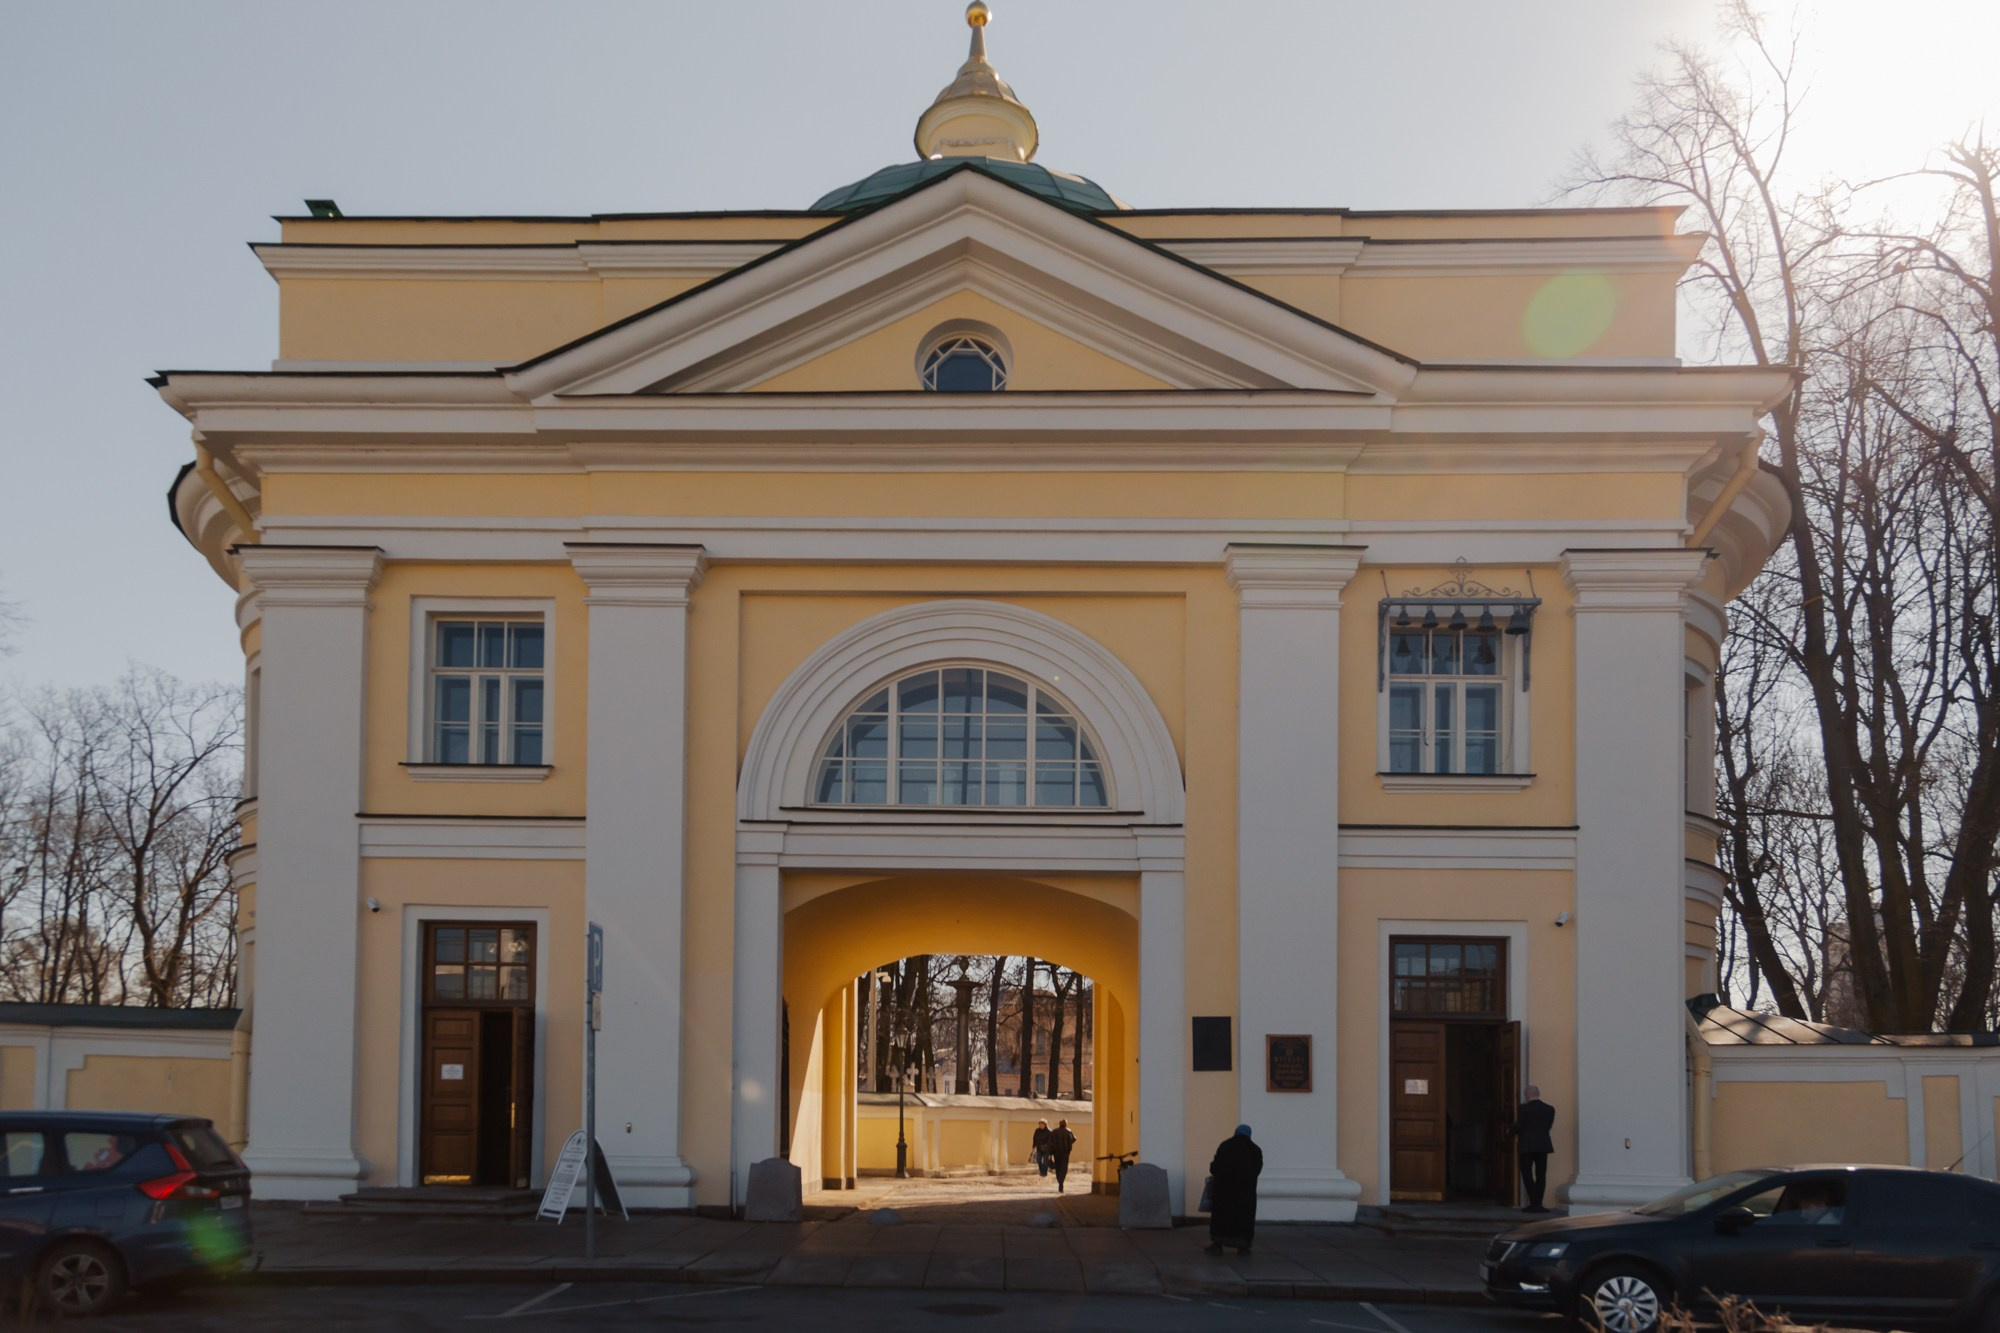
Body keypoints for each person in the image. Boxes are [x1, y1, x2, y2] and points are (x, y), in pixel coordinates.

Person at [1206, 1124, 1263, 1254]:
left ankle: (1217, 1244)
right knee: (1244, 1217)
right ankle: (1243, 1246)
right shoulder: (1255, 1150)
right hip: (1245, 1192)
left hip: (1224, 1191)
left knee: (1222, 1216)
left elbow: (1214, 1167)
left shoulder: (1225, 1146)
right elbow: (1257, 1169)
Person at [1513, 1085, 1556, 1213]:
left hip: (1527, 1146)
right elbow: (1548, 1126)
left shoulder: (1523, 1108)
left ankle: (1534, 1202)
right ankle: (1539, 1204)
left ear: (1527, 1094)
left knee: (1527, 1173)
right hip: (1543, 1145)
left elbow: (1520, 1126)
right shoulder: (1550, 1109)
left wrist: (1509, 1130)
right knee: (1541, 1174)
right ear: (1538, 1093)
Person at [1049, 1117, 1077, 1193]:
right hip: (1065, 1153)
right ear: (1066, 1124)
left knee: (1058, 1167)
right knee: (1063, 1168)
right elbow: (1073, 1139)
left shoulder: (1054, 1132)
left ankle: (1059, 1181)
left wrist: (1050, 1154)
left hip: (1056, 1153)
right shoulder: (1068, 1131)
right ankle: (1061, 1182)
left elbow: (1051, 1143)